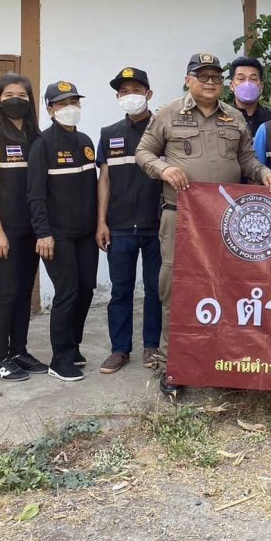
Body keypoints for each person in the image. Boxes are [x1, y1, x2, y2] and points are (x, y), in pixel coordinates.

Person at [136, 53, 271, 396]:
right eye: (202, 76)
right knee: (176, 288)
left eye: (216, 77)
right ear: (188, 80)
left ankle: (220, 361)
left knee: (225, 287)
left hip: (224, 220)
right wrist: (164, 169)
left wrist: (263, 172)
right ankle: (174, 366)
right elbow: (144, 153)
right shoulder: (168, 113)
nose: (210, 82)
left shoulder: (233, 117)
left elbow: (246, 159)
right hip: (180, 216)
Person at [0, 74, 48, 382]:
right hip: (3, 229)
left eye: (22, 95)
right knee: (6, 291)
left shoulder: (36, 137)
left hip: (31, 229)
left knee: (23, 290)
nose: (16, 99)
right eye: (8, 95)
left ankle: (18, 351)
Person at [27, 81, 99, 383]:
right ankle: (60, 359)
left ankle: (73, 346)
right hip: (57, 235)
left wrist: (99, 225)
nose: (70, 108)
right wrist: (43, 233)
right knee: (67, 292)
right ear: (50, 109)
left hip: (86, 233)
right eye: (62, 103)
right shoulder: (42, 144)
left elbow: (93, 188)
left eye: (74, 102)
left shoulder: (85, 141)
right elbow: (35, 195)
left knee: (86, 288)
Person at [95, 67, 164, 374]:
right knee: (120, 291)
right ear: (118, 98)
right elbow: (105, 180)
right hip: (119, 226)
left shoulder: (163, 131)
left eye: (136, 90)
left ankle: (152, 346)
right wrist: (101, 222)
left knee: (155, 290)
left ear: (149, 94)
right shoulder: (109, 133)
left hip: (156, 225)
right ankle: (119, 350)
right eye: (124, 92)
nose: (130, 96)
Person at [227, 55, 271, 138]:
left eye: (253, 79)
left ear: (261, 86)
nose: (247, 83)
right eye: (241, 79)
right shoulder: (223, 118)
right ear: (231, 86)